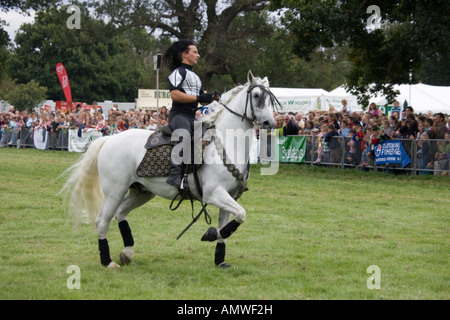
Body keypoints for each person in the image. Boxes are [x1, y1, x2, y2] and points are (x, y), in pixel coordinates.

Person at [162, 40, 213, 189]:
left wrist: (212, 99)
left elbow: (202, 100)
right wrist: (198, 98)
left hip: (192, 116)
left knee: (210, 134)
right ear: (185, 54)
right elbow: (175, 95)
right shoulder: (178, 72)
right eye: (194, 52)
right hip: (179, 115)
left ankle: (196, 175)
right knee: (183, 136)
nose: (198, 55)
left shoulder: (195, 77)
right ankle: (174, 175)